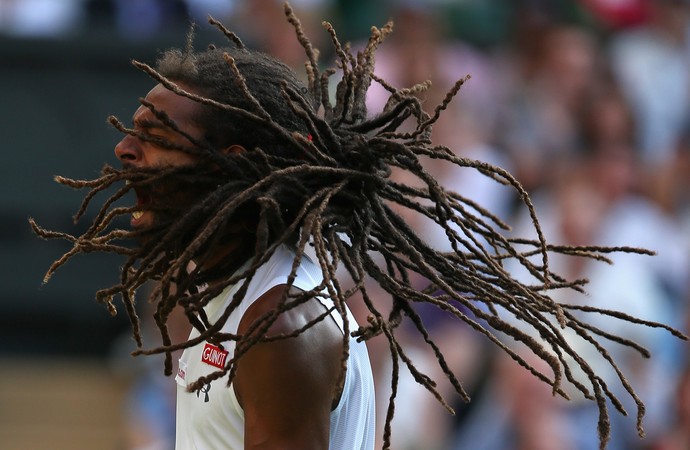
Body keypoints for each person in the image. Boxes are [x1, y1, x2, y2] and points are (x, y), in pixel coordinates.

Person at [30, 4, 687, 449]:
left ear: (226, 165)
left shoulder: (283, 323)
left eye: (154, 135)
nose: (123, 150)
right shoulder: (217, 285)